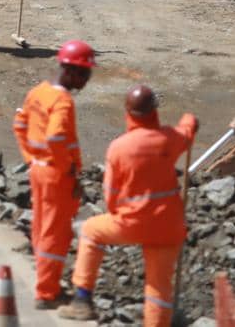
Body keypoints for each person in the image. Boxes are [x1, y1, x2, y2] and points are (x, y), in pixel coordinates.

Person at [56, 85, 199, 326]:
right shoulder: (169, 139)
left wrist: (116, 213)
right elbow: (186, 132)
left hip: (130, 223)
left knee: (90, 231)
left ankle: (82, 301)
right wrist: (189, 120)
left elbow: (110, 193)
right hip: (168, 227)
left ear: (128, 113)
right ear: (155, 111)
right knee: (159, 285)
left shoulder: (120, 148)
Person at [12, 40, 95, 310]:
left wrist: (30, 159)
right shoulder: (62, 100)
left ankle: (44, 281)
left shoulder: (39, 92)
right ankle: (46, 293)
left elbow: (20, 124)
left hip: (38, 169)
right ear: (73, 72)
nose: (86, 81)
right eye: (86, 75)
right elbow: (57, 136)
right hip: (55, 174)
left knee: (40, 226)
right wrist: (66, 169)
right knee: (55, 234)